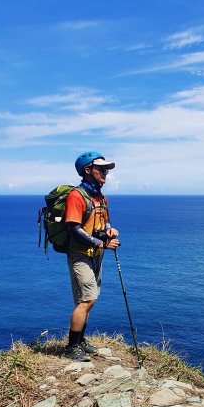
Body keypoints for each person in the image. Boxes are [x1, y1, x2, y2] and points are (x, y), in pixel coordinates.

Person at [64, 151, 120, 361]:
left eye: (106, 169)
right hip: (80, 254)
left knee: (91, 299)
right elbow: (74, 228)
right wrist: (103, 243)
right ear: (88, 170)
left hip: (96, 254)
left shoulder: (100, 197)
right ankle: (71, 347)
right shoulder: (76, 196)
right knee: (86, 300)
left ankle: (79, 341)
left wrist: (109, 230)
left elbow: (104, 221)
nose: (105, 173)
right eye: (101, 169)